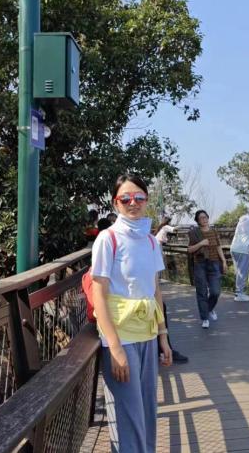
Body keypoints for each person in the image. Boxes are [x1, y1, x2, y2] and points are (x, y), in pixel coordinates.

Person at [91, 174, 172, 452]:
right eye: (125, 198)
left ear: (146, 200)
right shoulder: (108, 238)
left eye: (139, 197)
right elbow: (99, 294)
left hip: (147, 332)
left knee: (147, 410)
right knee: (129, 414)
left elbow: (155, 290)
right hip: (121, 335)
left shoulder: (150, 241)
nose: (133, 203)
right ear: (116, 203)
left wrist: (163, 336)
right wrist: (114, 348)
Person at [152, 215, 189, 365]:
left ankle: (162, 348)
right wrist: (182, 228)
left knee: (161, 306)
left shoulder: (154, 234)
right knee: (158, 308)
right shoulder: (165, 228)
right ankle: (162, 349)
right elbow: (173, 229)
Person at [187, 210, 227, 328]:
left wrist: (224, 261)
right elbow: (190, 250)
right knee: (202, 292)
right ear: (198, 221)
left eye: (205, 217)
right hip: (200, 264)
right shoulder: (194, 233)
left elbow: (218, 247)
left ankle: (209, 309)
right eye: (201, 218)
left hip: (214, 264)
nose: (204, 220)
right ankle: (205, 318)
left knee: (215, 291)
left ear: (208, 218)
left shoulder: (214, 231)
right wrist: (201, 243)